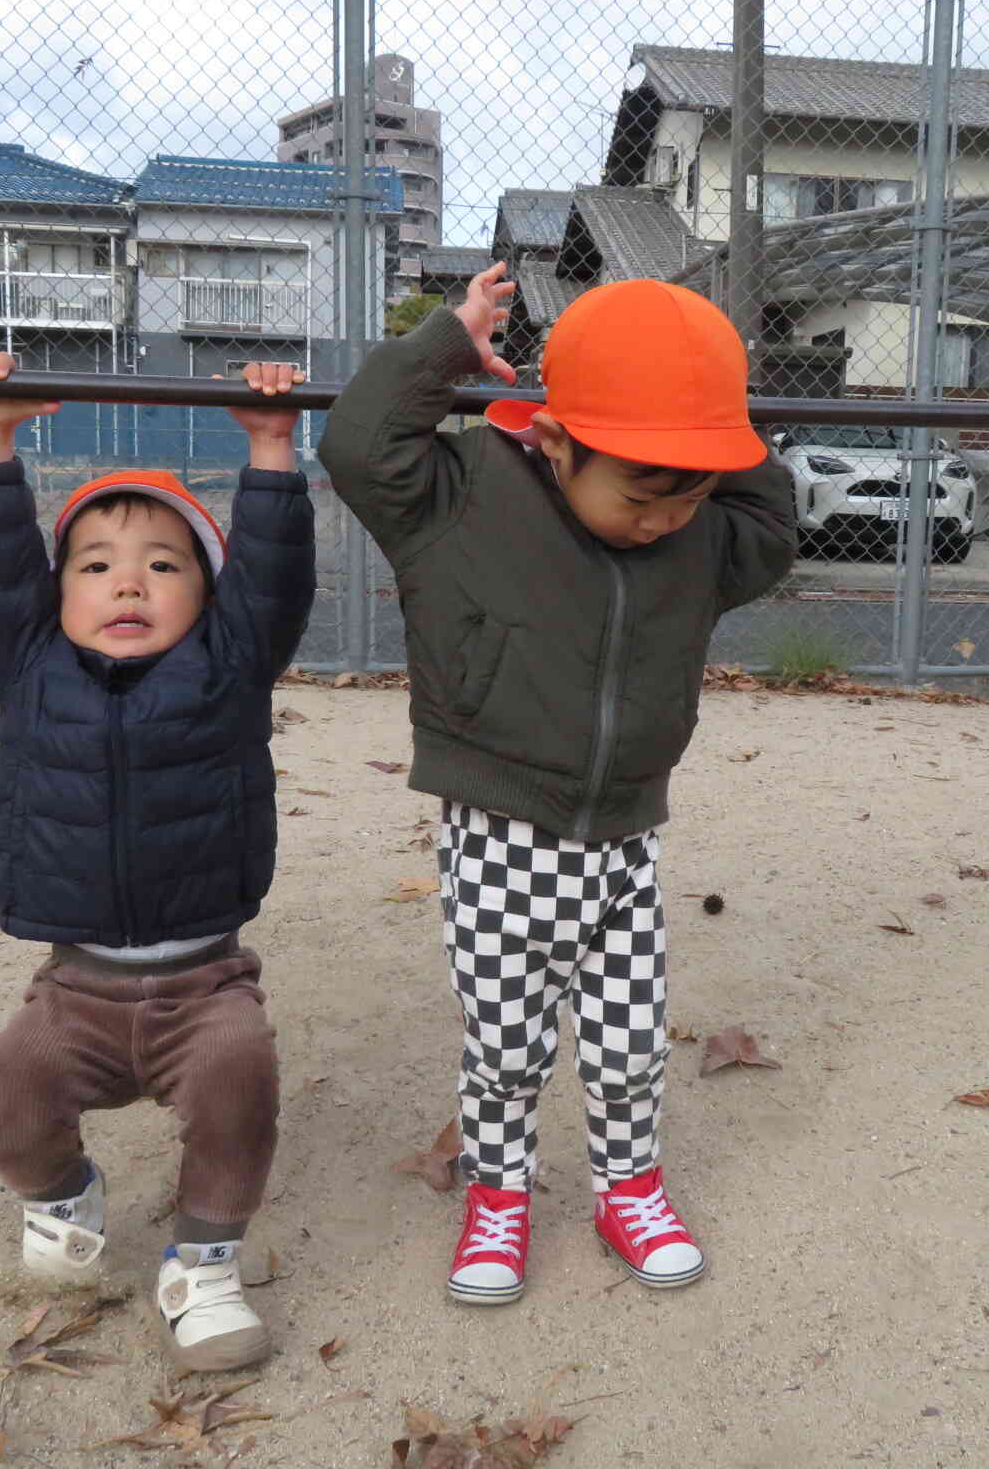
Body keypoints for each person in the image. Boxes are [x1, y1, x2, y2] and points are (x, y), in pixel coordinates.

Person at [319, 264, 796, 1304]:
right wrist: (444, 345)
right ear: (552, 438)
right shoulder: (457, 502)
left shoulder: (697, 536)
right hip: (498, 839)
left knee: (628, 1041)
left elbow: (765, 520)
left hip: (624, 841)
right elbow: (356, 445)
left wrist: (706, 410)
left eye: (690, 494)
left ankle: (629, 1185)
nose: (664, 521)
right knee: (506, 1042)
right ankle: (499, 1195)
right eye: (640, 495)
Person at [0, 350, 314, 1371]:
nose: (127, 582)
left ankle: (202, 1261)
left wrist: (271, 446)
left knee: (239, 1091)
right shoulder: (26, 665)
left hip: (205, 983)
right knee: (3, 1112)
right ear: (55, 593)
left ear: (206, 592)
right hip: (77, 988)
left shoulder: (228, 667)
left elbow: (273, 580)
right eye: (95, 563)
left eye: (163, 563)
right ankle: (64, 1200)